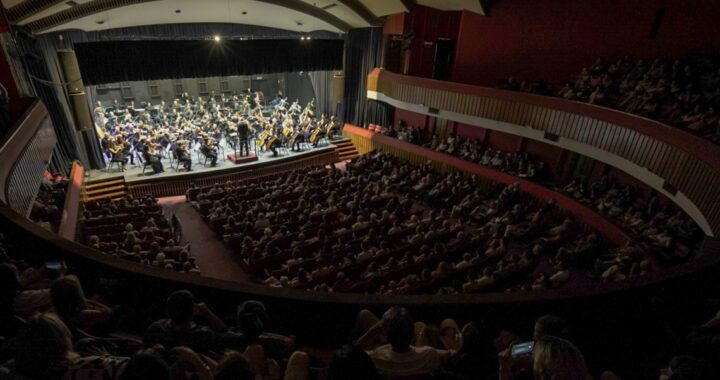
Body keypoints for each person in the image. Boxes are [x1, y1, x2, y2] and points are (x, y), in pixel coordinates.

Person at [144, 289, 246, 354]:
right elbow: (227, 332)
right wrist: (207, 313)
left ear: (168, 310)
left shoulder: (155, 329)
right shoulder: (203, 336)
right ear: (193, 312)